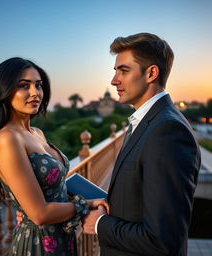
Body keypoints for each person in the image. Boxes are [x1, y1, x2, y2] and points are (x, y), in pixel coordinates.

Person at [0, 57, 109, 256]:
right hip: (38, 244)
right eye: (24, 85)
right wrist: (85, 204)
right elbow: (39, 214)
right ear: (4, 91)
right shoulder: (6, 139)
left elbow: (49, 186)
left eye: (38, 85)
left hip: (63, 236)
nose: (35, 92)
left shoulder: (36, 133)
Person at [82, 33, 201, 256]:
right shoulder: (148, 121)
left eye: (123, 71)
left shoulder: (168, 132)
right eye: (115, 71)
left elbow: (164, 240)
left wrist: (100, 224)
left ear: (151, 73)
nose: (114, 80)